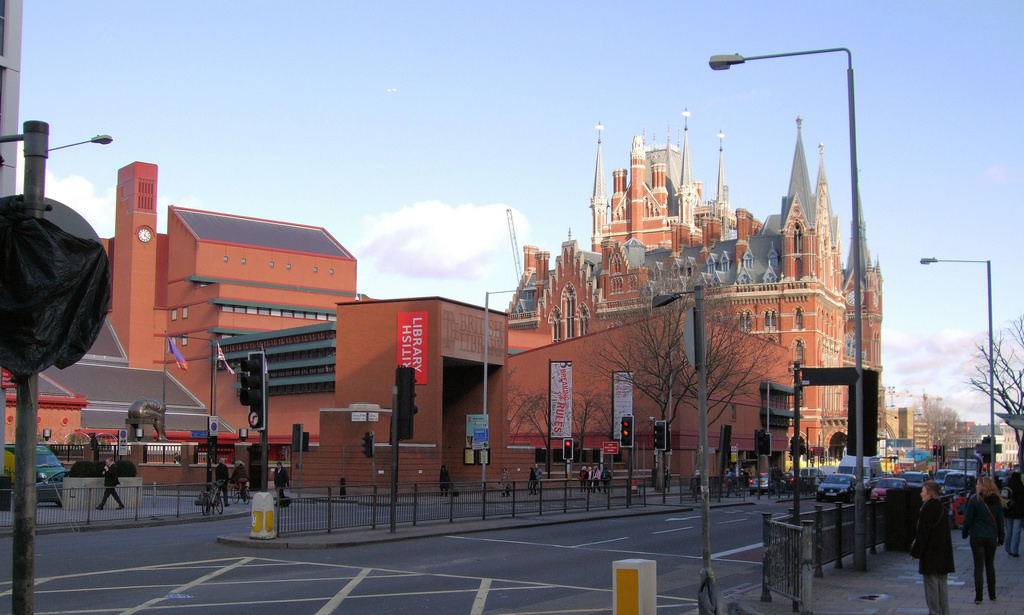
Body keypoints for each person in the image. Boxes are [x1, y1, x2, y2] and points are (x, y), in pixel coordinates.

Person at [910, 480, 954, 615]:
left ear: (929, 493)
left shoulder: (927, 508)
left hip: (931, 553)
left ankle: (935, 612)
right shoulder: (941, 507)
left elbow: (923, 533)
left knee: (931, 587)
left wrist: (916, 552)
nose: (921, 494)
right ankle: (945, 612)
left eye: (923, 491)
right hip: (943, 552)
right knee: (942, 585)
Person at [962, 476, 1004, 603]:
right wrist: (1001, 537)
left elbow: (968, 519)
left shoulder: (975, 500)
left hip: (977, 536)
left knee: (978, 566)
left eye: (978, 484)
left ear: (983, 486)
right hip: (991, 537)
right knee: (990, 565)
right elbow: (1000, 522)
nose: (976, 486)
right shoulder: (997, 501)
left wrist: (965, 532)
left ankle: (979, 597)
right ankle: (992, 594)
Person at [1002, 471, 1024, 557]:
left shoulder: (1007, 487)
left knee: (1009, 531)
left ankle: (1008, 548)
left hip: (1008, 512)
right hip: (1019, 513)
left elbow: (1003, 499)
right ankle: (1014, 550)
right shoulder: (1021, 487)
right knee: (1016, 531)